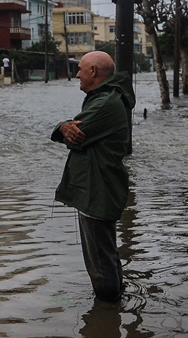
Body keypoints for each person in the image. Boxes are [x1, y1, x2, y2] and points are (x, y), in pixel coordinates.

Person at [51, 50, 133, 301]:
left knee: (99, 258)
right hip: (98, 185)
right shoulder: (104, 99)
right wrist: (64, 127)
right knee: (105, 252)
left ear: (94, 72)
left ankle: (107, 312)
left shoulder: (105, 103)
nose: (76, 74)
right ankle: (114, 306)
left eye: (80, 69)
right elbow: (69, 131)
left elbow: (75, 136)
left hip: (97, 188)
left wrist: (64, 128)